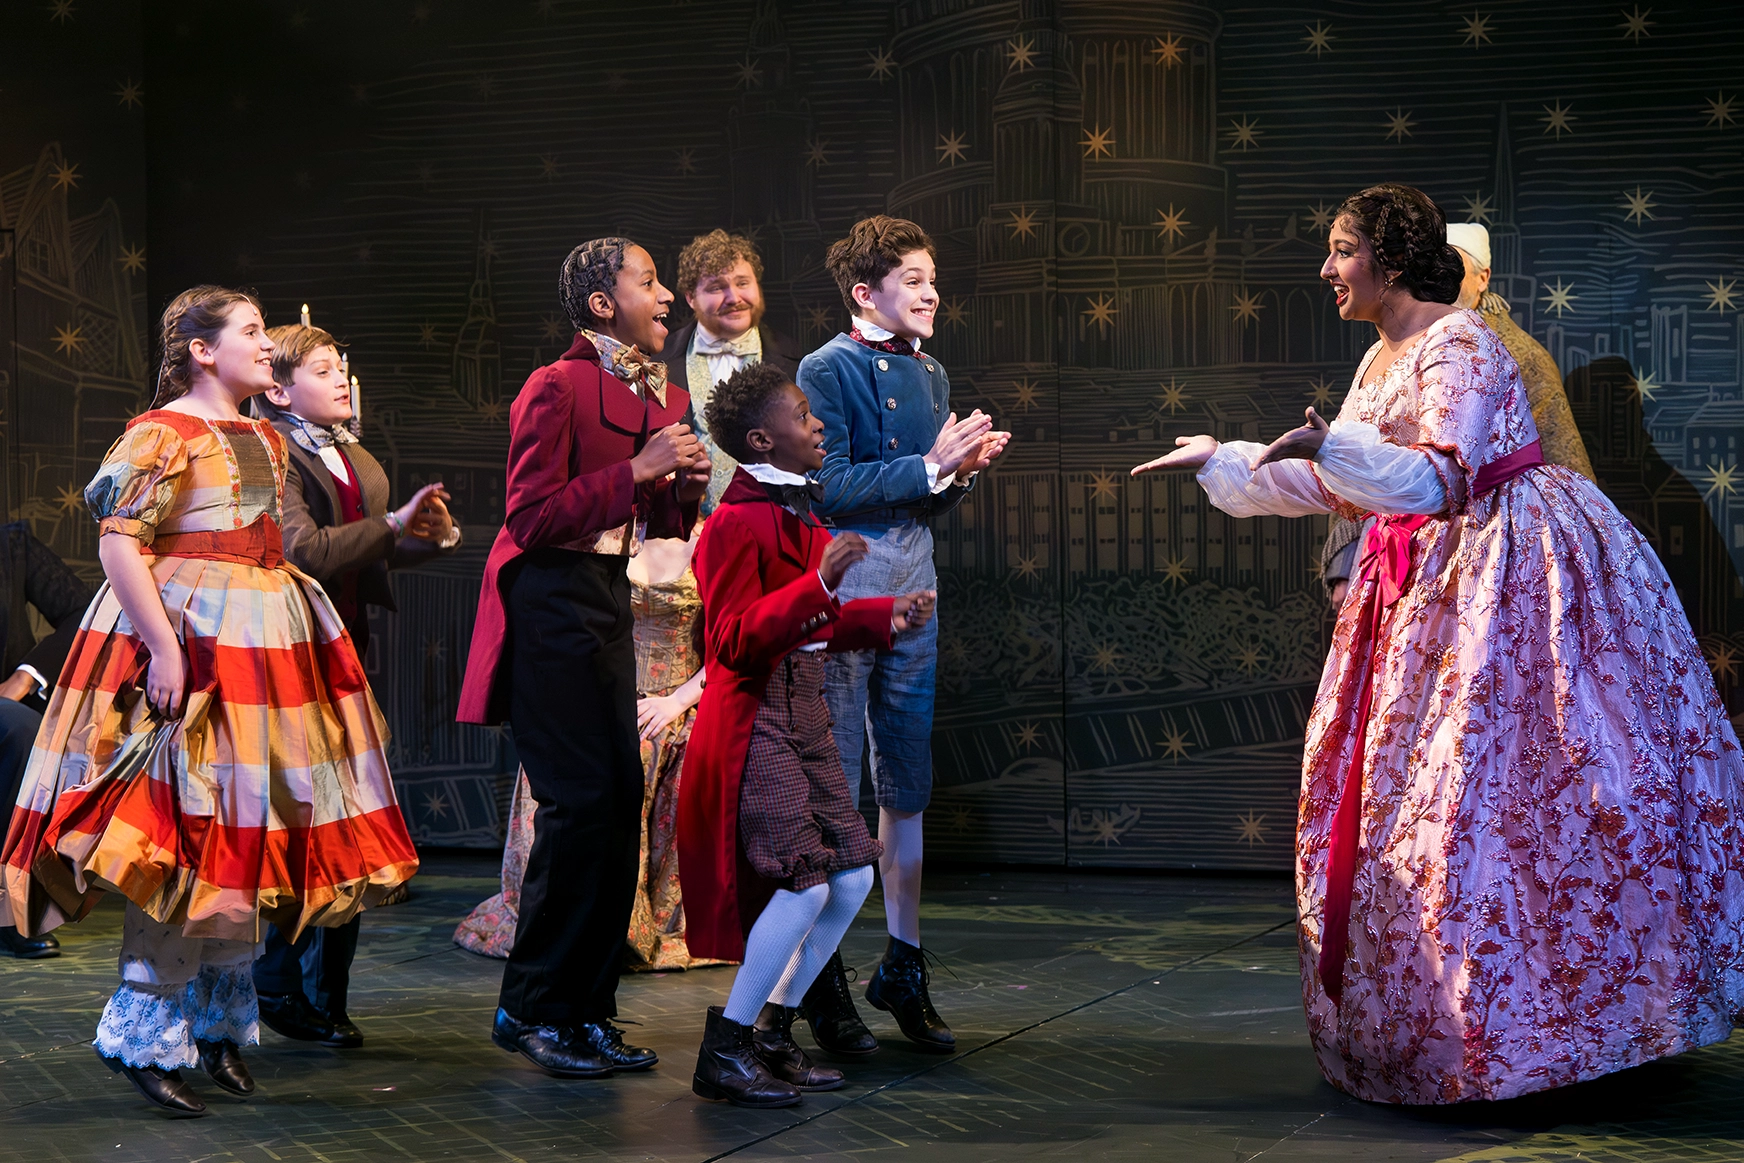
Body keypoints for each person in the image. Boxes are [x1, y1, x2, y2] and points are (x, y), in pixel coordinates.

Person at [1132, 184, 1744, 1104]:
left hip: (1505, 578)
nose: (1327, 268)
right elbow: (1341, 483)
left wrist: (1332, 452)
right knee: (1409, 797)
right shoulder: (1381, 354)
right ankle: (1427, 1029)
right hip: (1418, 583)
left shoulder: (1460, 341)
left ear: (1389, 259)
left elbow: (1438, 480)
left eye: (1342, 249)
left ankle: (1534, 1028)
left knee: (1501, 792)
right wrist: (1227, 457)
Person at [0, 286, 417, 1117]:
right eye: (252, 331)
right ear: (201, 349)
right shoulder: (162, 431)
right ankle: (145, 1028)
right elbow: (121, 544)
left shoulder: (266, 434)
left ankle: (216, 1020)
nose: (266, 345)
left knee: (244, 828)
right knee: (181, 835)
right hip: (191, 639)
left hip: (265, 647)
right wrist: (162, 648)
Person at [457, 237, 710, 1081]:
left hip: (606, 596)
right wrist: (640, 467)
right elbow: (530, 517)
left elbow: (657, 524)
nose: (667, 296)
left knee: (615, 803)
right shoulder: (557, 385)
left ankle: (587, 1007)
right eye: (650, 281)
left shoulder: (656, 392)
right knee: (574, 805)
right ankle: (531, 1006)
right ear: (604, 303)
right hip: (550, 601)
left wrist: (681, 487)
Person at [678, 361, 937, 1106]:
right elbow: (732, 641)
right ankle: (724, 1047)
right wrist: (820, 585)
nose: (818, 423)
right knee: (803, 882)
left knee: (852, 876)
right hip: (758, 717)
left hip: (807, 710)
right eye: (802, 415)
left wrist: (877, 617)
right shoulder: (734, 521)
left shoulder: (798, 511)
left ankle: (770, 1028)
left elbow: (807, 626)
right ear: (763, 438)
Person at [795, 215, 1006, 1056]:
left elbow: (921, 499)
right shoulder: (827, 367)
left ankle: (904, 961)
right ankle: (820, 978)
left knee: (906, 776)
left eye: (931, 278)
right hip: (849, 588)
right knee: (839, 776)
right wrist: (931, 465)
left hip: (916, 584)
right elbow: (830, 488)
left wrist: (957, 474)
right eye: (913, 280)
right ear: (865, 291)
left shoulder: (931, 371)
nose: (931, 293)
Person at [248, 321, 458, 1049]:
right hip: (288, 657)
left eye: (341, 365)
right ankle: (277, 982)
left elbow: (363, 552)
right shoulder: (269, 453)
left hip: (344, 654)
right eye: (322, 368)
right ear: (279, 391)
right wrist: (392, 524)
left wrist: (422, 537)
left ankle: (325, 994)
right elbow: (304, 550)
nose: (341, 377)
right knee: (303, 820)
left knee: (350, 820)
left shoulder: (356, 456)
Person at [454, 529, 720, 971]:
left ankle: (633, 923)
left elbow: (733, 640)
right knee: (580, 755)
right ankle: (570, 920)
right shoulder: (601, 539)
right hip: (605, 695)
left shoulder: (710, 540)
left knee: (661, 750)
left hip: (678, 700)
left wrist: (677, 701)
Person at [0, 526, 97, 959]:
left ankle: (11, 910)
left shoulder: (11, 545)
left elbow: (84, 612)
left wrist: (25, 676)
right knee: (20, 727)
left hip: (6, 706)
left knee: (24, 726)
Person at [662, 229, 805, 514]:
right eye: (717, 288)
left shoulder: (799, 362)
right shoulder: (657, 362)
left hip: (772, 525)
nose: (734, 297)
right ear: (690, 298)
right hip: (683, 532)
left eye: (743, 283)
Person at [1446, 222, 1595, 481]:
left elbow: (1560, 451)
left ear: (1482, 279)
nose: (1442, 279)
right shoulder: (1416, 342)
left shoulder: (1521, 355)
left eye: (1453, 267)